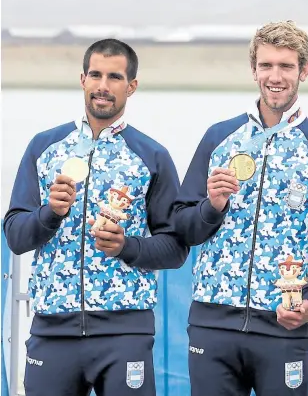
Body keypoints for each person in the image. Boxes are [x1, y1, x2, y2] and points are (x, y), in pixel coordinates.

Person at [3, 38, 189, 396]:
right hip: (53, 329)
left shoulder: (152, 156)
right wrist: (49, 214)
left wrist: (126, 247)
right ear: (83, 79)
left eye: (115, 77)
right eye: (96, 75)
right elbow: (15, 235)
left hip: (125, 333)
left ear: (131, 86)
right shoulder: (45, 147)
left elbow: (175, 248)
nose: (103, 86)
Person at [172, 20, 308, 396]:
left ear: (304, 71)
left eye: (286, 66)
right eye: (266, 65)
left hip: (284, 328)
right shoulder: (219, 138)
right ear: (254, 70)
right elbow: (183, 227)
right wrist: (212, 207)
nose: (275, 76)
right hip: (212, 324)